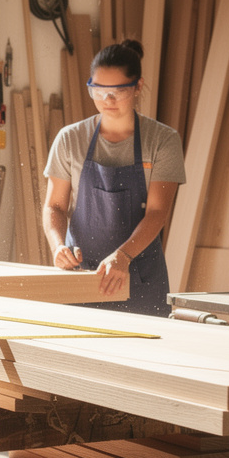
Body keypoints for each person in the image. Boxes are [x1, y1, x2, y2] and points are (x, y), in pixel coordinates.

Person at [41, 39, 185, 316]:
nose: (107, 100)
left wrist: (123, 256)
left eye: (118, 91)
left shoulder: (162, 140)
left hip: (139, 277)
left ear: (138, 86)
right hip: (80, 277)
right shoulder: (70, 139)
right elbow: (54, 206)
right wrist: (58, 246)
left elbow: (157, 212)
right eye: (98, 90)